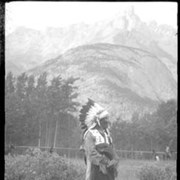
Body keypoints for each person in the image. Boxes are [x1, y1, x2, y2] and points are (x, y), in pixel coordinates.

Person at [79, 99, 119, 180]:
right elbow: (91, 153)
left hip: (109, 170)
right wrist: (105, 161)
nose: (108, 121)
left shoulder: (107, 134)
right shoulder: (90, 134)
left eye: (108, 118)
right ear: (98, 121)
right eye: (105, 119)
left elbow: (111, 149)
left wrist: (114, 160)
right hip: (95, 169)